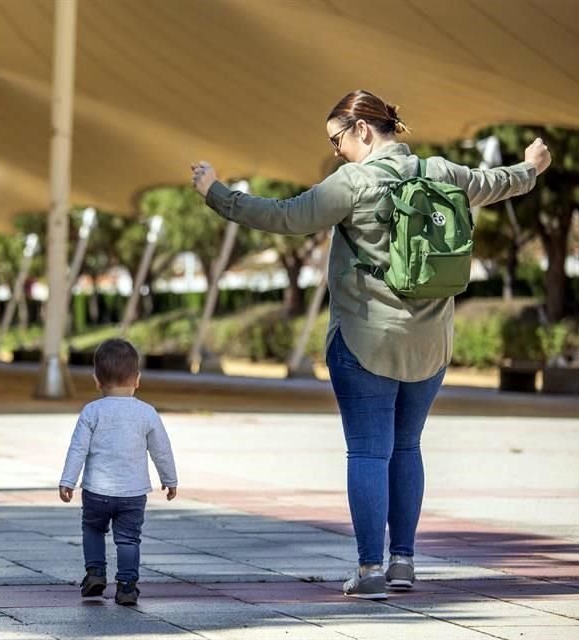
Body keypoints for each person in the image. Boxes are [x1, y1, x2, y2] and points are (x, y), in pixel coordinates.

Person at [191, 90, 550, 600]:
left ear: (362, 129)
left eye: (337, 139)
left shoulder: (354, 182)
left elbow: (285, 217)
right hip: (431, 344)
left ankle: (370, 569)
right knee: (407, 446)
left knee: (367, 451)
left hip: (365, 339)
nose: (336, 151)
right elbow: (498, 182)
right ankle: (403, 562)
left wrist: (215, 192)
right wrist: (531, 166)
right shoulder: (441, 172)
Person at [58, 338, 178, 606]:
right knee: (128, 539)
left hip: (96, 491)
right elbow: (161, 449)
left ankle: (95, 573)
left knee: (92, 529)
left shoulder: (92, 411)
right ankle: (126, 586)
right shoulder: (147, 413)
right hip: (133, 494)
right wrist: (169, 479)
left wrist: (68, 480)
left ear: (96, 380)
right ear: (137, 379)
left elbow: (78, 448)